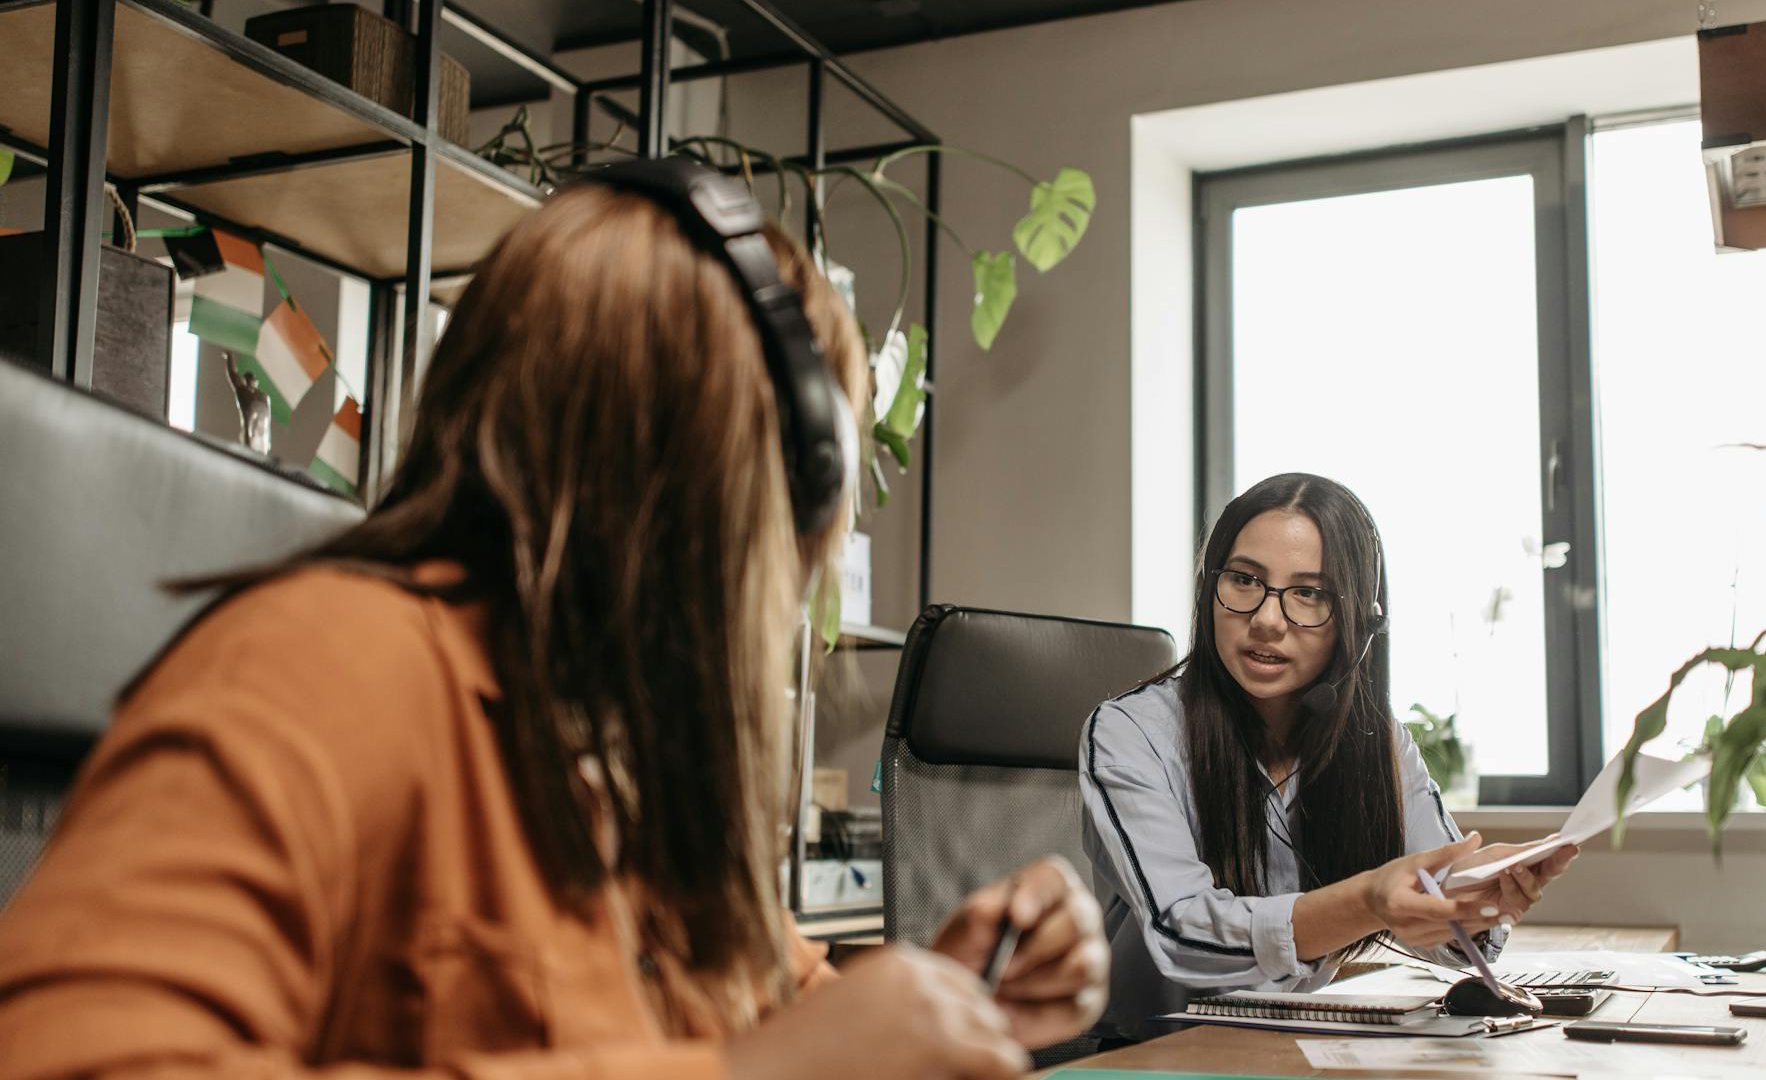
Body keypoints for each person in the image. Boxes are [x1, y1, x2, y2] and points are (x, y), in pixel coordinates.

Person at [0, 165, 1107, 1080]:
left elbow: (781, 1005)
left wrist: (944, 994)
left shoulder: (630, 752)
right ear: (733, 488)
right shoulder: (327, 659)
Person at [1079, 472, 1576, 1041]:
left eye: (1309, 594)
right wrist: (1369, 901)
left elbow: (1442, 926)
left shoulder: (1377, 741)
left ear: (1359, 623)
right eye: (1244, 580)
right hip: (1158, 1055)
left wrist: (1476, 896)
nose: (1267, 620)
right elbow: (1181, 931)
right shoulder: (1129, 732)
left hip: (1309, 1047)